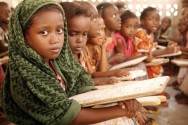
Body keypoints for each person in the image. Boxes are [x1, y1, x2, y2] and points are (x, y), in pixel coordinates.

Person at [1, 0, 146, 124]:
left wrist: (121, 99)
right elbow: (66, 116)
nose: (55, 39)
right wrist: (123, 110)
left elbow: (80, 83)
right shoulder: (27, 72)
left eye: (59, 30)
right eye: (43, 32)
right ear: (23, 36)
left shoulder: (57, 61)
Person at [135, 7, 179, 78]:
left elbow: (153, 51)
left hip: (146, 62)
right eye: (150, 19)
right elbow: (146, 55)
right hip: (138, 64)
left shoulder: (150, 34)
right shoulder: (141, 33)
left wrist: (169, 48)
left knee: (158, 67)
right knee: (155, 68)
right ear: (142, 21)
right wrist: (166, 51)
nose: (155, 22)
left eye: (157, 20)